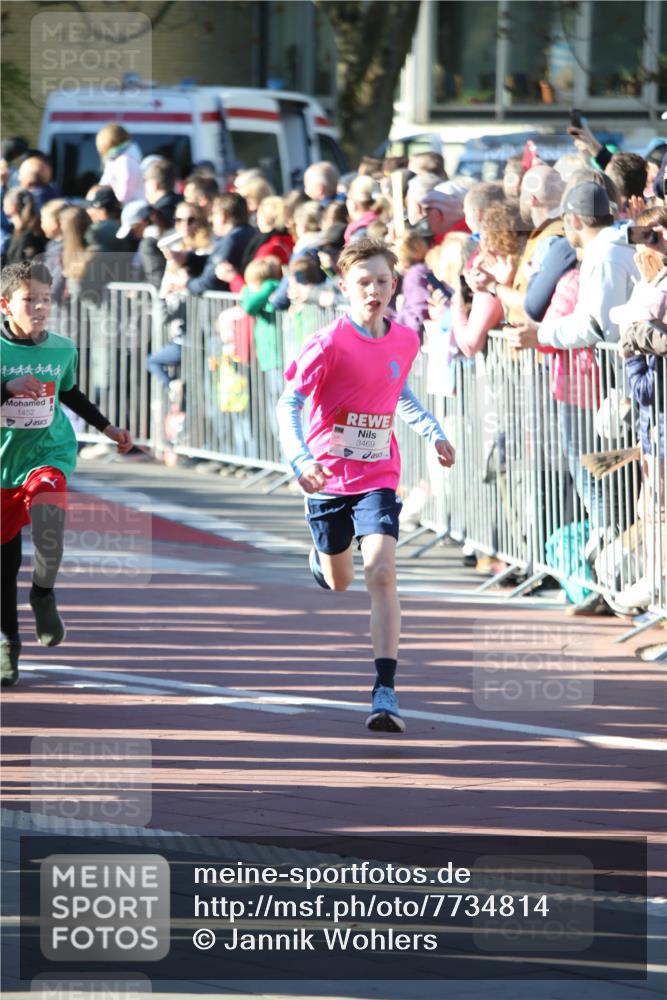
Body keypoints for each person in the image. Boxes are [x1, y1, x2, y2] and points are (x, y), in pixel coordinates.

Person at [276, 238, 455, 734]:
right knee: (340, 581)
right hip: (327, 477)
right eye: (363, 283)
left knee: (381, 571)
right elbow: (287, 404)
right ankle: (321, 555)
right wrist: (301, 458)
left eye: (381, 282)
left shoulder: (405, 339)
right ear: (344, 288)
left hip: (378, 475)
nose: (373, 291)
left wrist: (433, 431)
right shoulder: (327, 343)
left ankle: (385, 690)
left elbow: (398, 393)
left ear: (394, 285)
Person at [0, 261, 132, 686]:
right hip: (4, 468)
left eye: (45, 300)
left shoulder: (62, 348)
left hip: (48, 453)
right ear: (5, 305)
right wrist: (6, 389)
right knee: (4, 568)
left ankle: (43, 593)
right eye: (28, 300)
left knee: (49, 524)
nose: (39, 308)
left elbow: (70, 392)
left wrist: (107, 427)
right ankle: (8, 645)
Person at [95, 123, 143, 204]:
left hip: (125, 209)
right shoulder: (117, 160)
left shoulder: (126, 161)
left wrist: (113, 206)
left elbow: (124, 194)